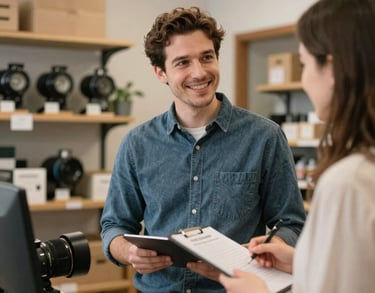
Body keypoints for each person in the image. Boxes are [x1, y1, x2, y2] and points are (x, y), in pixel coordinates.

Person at [100, 6, 306, 293]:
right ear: (161, 73)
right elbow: (114, 225)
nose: (199, 72)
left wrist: (269, 249)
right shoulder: (137, 144)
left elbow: (291, 222)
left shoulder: (265, 137)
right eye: (182, 62)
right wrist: (129, 252)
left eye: (207, 57)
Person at [219, 0, 375, 292]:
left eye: (303, 64)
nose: (303, 80)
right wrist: (301, 261)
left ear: (331, 67)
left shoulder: (349, 180)